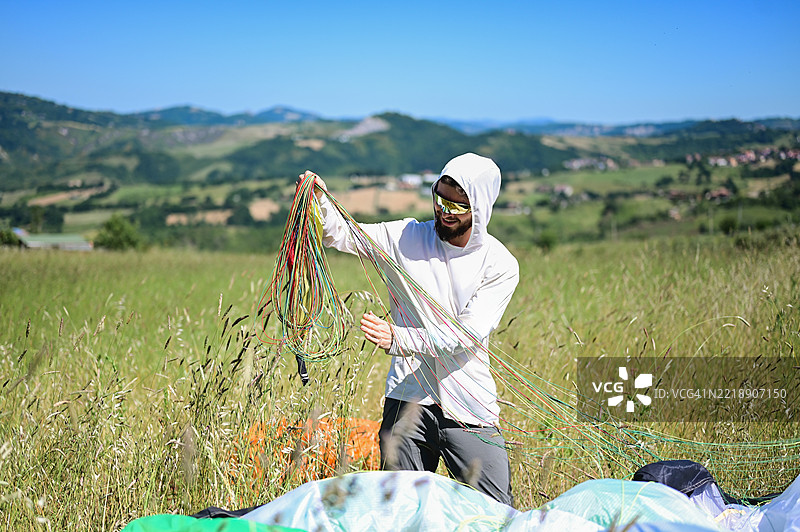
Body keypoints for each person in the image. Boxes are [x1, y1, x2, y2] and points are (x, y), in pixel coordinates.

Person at [304, 153, 518, 506]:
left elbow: (466, 335)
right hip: (407, 398)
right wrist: (319, 201)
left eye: (458, 205)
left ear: (480, 208)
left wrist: (399, 338)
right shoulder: (405, 236)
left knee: (495, 513)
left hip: (470, 405)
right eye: (440, 199)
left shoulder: (500, 265)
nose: (445, 211)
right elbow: (340, 234)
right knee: (397, 511)